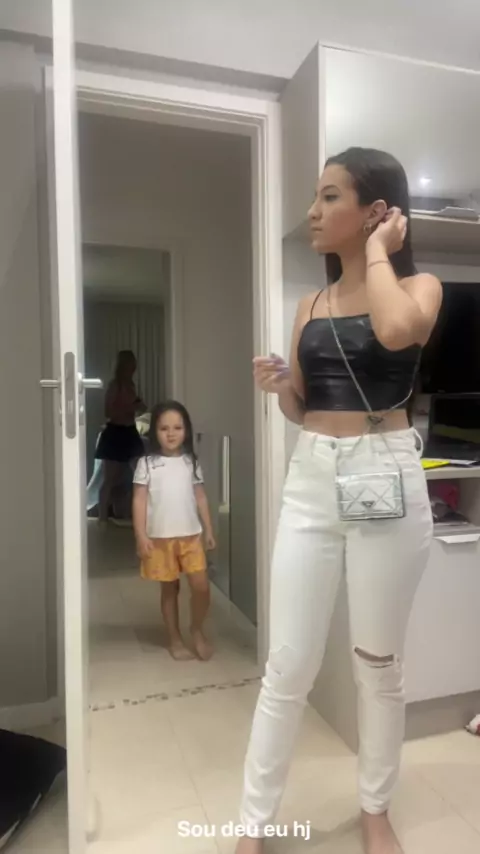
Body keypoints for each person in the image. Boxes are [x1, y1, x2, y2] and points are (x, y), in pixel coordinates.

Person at [236, 148, 442, 854]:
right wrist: (280, 388)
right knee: (288, 663)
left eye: (329, 197)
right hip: (312, 477)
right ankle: (253, 823)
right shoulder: (310, 305)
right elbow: (303, 408)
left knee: (377, 663)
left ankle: (375, 808)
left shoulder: (420, 288)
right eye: (315, 198)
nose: (313, 213)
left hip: (385, 470)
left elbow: (395, 332)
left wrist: (379, 252)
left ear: (375, 211)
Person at [132, 401, 216, 661]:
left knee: (201, 586)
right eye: (164, 428)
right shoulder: (147, 464)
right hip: (160, 539)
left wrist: (209, 529)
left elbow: (200, 497)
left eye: (177, 428)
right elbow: (139, 500)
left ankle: (197, 629)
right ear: (154, 432)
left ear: (186, 430)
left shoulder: (191, 462)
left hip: (191, 536)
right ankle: (174, 639)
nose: (171, 434)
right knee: (170, 590)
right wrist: (141, 535)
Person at [95, 350, 146, 524]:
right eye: (130, 364)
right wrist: (129, 408)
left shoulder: (131, 385)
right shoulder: (115, 385)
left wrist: (139, 406)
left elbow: (136, 406)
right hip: (116, 432)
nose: (133, 367)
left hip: (130, 431)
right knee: (110, 478)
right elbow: (108, 411)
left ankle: (138, 514)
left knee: (141, 473)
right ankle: (102, 517)